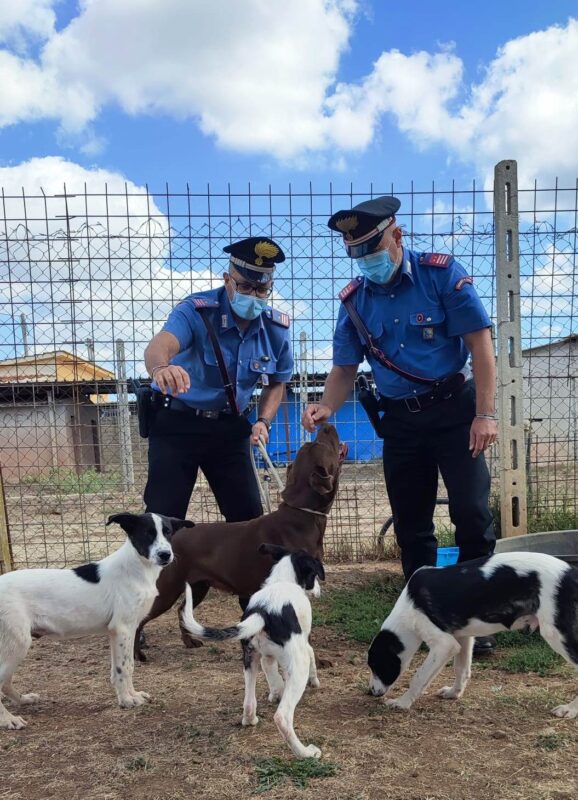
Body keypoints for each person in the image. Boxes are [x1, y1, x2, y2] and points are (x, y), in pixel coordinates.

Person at [302, 196, 498, 654]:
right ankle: (425, 615)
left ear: (397, 235)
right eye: (355, 253)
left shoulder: (441, 275)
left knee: (471, 511)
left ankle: (477, 618)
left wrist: (485, 415)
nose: (364, 261)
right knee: (412, 523)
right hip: (401, 423)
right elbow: (344, 369)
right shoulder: (354, 303)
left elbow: (481, 348)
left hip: (455, 411)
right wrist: (326, 406)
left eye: (371, 248)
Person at [143, 236, 293, 523]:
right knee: (161, 521)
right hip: (177, 423)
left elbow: (277, 382)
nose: (254, 295)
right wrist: (161, 368)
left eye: (262, 289)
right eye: (245, 286)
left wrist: (263, 421)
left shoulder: (276, 329)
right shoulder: (197, 311)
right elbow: (159, 345)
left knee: (249, 520)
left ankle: (242, 569)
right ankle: (161, 569)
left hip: (230, 426)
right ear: (227, 279)